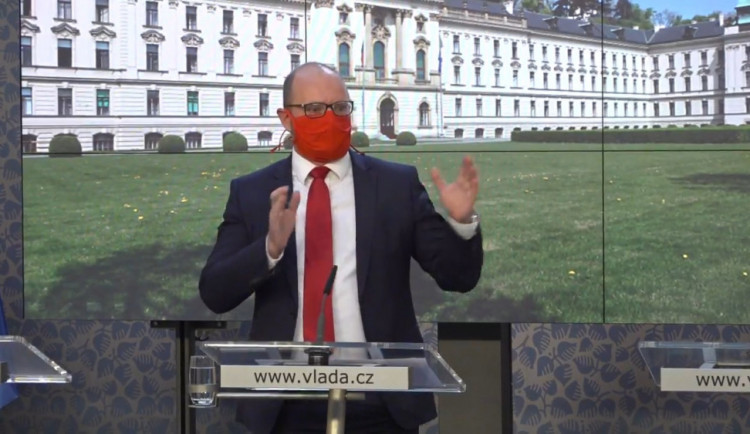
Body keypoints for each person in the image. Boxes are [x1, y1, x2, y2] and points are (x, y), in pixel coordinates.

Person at [199, 62, 483, 434]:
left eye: (340, 107)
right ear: (286, 118)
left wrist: (462, 223)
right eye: (315, 109)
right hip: (284, 404)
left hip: (382, 400)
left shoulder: (395, 186)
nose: (330, 118)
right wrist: (269, 248)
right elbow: (215, 292)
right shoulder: (252, 192)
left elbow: (458, 277)